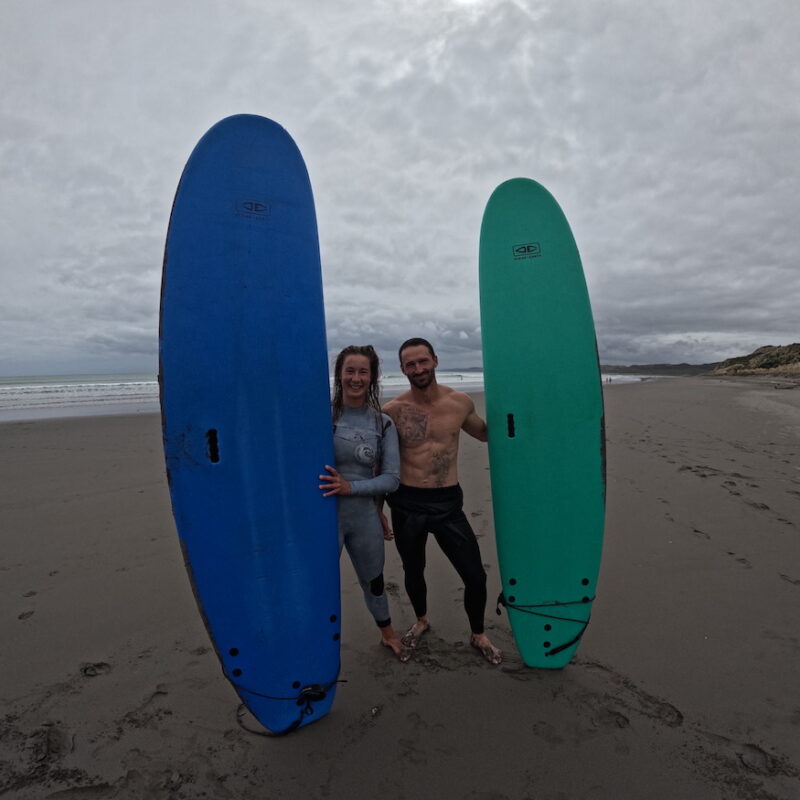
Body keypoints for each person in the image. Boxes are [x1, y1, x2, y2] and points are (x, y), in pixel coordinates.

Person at [382, 337, 502, 665]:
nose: (418, 368)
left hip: (448, 502)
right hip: (406, 502)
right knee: (413, 569)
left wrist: (522, 415)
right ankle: (421, 620)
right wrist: (377, 510)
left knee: (475, 575)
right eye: (410, 364)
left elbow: (487, 434)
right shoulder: (392, 412)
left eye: (423, 361)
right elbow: (380, 463)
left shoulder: (460, 403)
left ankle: (478, 633)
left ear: (435, 360)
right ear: (402, 369)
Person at [318, 345, 410, 662]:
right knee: (317, 584)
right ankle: (313, 644)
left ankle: (388, 634)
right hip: (321, 517)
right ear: (339, 375)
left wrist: (351, 488)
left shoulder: (382, 424)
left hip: (362, 518)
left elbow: (391, 479)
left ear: (372, 378)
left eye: (362, 372)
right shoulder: (319, 417)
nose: (355, 378)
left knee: (374, 581)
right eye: (349, 371)